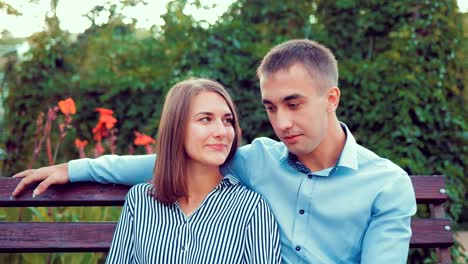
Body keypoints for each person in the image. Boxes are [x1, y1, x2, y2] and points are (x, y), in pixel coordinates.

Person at [12, 39, 416, 263]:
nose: (282, 123)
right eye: (271, 108)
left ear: (331, 98)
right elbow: (170, 161)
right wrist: (78, 168)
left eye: (294, 104)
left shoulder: (385, 185)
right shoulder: (257, 159)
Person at [108, 78, 281, 263]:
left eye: (227, 120)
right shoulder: (140, 201)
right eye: (205, 119)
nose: (221, 131)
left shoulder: (251, 208)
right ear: (176, 128)